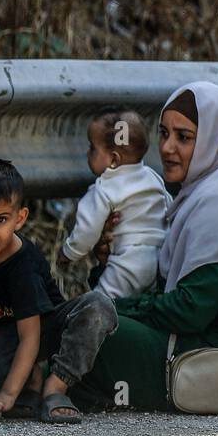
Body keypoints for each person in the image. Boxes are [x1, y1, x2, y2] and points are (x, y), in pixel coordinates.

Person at [70, 82, 218, 413]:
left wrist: (114, 308)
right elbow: (170, 296)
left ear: (216, 140)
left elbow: (188, 311)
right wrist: (109, 266)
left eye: (184, 138)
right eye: (164, 133)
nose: (167, 148)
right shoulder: (201, 196)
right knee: (81, 321)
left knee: (82, 326)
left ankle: (33, 385)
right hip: (206, 351)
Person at [0, 159, 118, 424]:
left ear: (20, 219)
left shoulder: (22, 265)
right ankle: (30, 386)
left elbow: (31, 335)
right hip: (5, 335)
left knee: (98, 306)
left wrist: (7, 393)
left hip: (46, 329)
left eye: (1, 219)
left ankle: (56, 386)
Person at [57, 108, 169, 298]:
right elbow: (168, 207)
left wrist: (67, 254)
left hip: (127, 262)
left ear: (114, 160)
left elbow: (87, 231)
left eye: (92, 148)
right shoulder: (153, 177)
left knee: (101, 305)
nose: (87, 153)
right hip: (159, 258)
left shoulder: (103, 189)